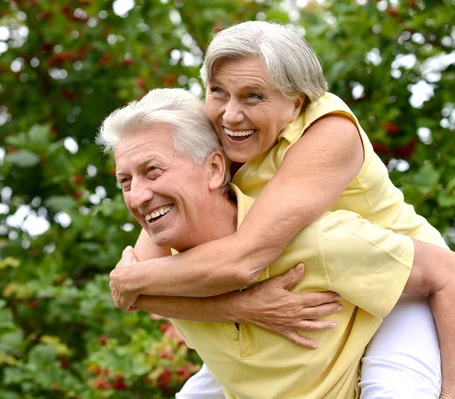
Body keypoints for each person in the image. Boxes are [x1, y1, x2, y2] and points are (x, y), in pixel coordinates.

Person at [108, 21, 452, 398]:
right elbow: (144, 285)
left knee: (393, 388)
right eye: (217, 91)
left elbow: (242, 261)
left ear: (296, 102)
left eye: (253, 96)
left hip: (402, 282)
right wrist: (240, 307)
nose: (230, 115)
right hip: (311, 283)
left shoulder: (330, 133)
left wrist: (131, 282)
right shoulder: (217, 138)